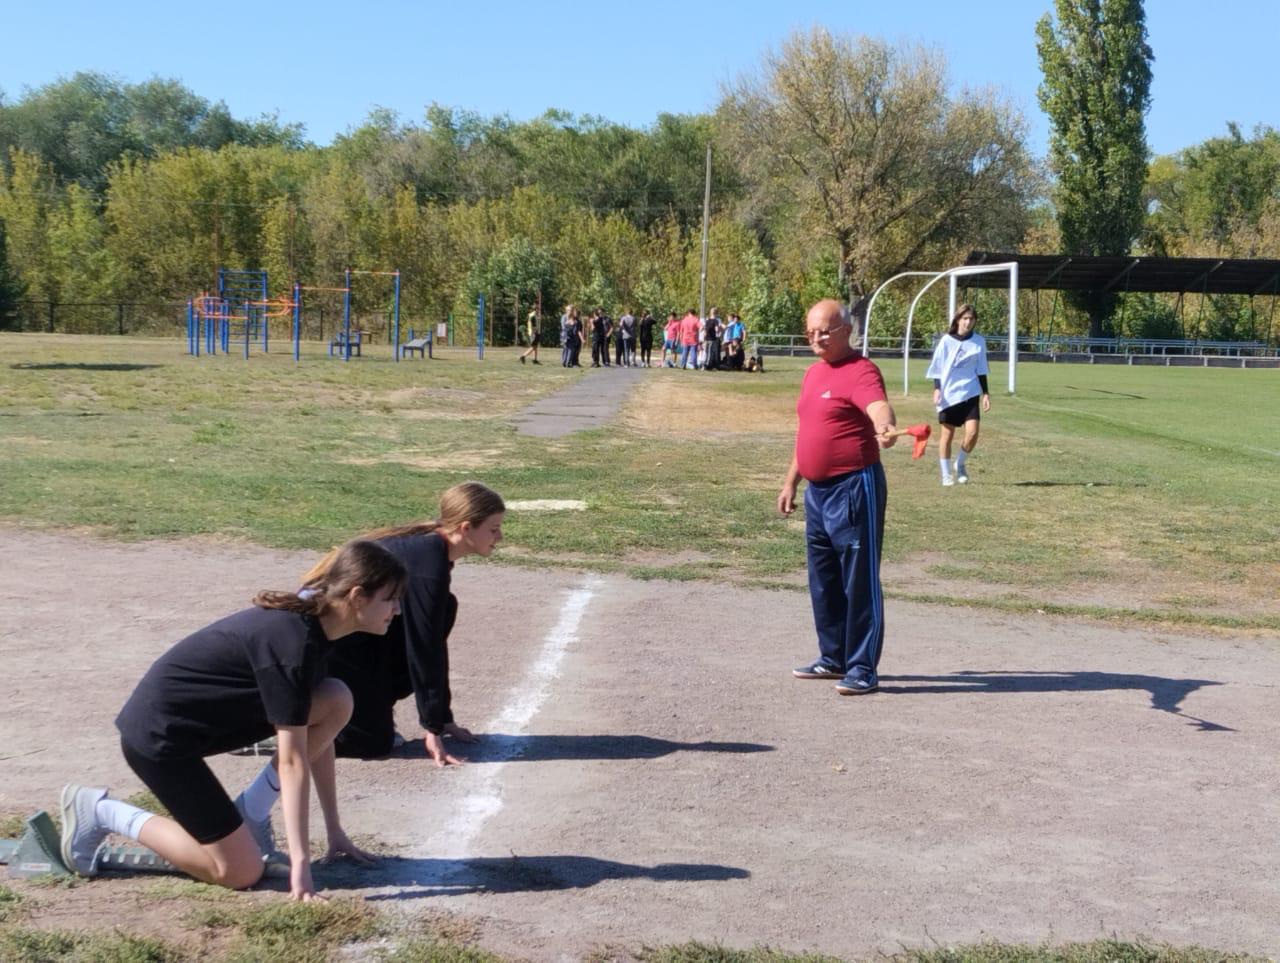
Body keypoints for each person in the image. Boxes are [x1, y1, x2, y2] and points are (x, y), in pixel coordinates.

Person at [60, 540, 406, 899]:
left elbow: (314, 739)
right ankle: (101, 811)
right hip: (160, 741)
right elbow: (292, 762)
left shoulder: (316, 626)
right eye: (390, 598)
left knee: (335, 699)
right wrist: (301, 867)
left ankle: (251, 814)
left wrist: (334, 830)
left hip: (200, 725)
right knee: (240, 871)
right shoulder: (292, 645)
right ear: (356, 597)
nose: (396, 609)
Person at [315, 482, 505, 766]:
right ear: (466, 528)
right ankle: (278, 725)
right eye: (493, 529)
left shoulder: (434, 551)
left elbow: (427, 641)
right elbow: (424, 648)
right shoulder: (429, 565)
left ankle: (372, 705)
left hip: (359, 640)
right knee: (371, 744)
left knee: (446, 607)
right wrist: (433, 728)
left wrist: (442, 717)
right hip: (328, 646)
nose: (499, 536)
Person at [777, 299, 897, 696]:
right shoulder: (813, 374)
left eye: (824, 331)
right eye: (810, 332)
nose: (816, 338)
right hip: (817, 491)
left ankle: (863, 667)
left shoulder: (861, 371)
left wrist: (885, 425)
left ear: (847, 331)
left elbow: (878, 407)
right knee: (824, 580)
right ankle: (833, 657)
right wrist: (791, 481)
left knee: (858, 580)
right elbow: (810, 431)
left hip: (853, 489)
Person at [925, 303, 991, 486]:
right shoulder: (947, 341)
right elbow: (937, 367)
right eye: (965, 318)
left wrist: (985, 393)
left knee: (972, 433)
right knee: (947, 435)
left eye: (971, 319)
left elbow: (982, 368)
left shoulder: (979, 341)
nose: (968, 322)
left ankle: (960, 464)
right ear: (958, 320)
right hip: (949, 394)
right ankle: (946, 474)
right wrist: (937, 388)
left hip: (970, 393)